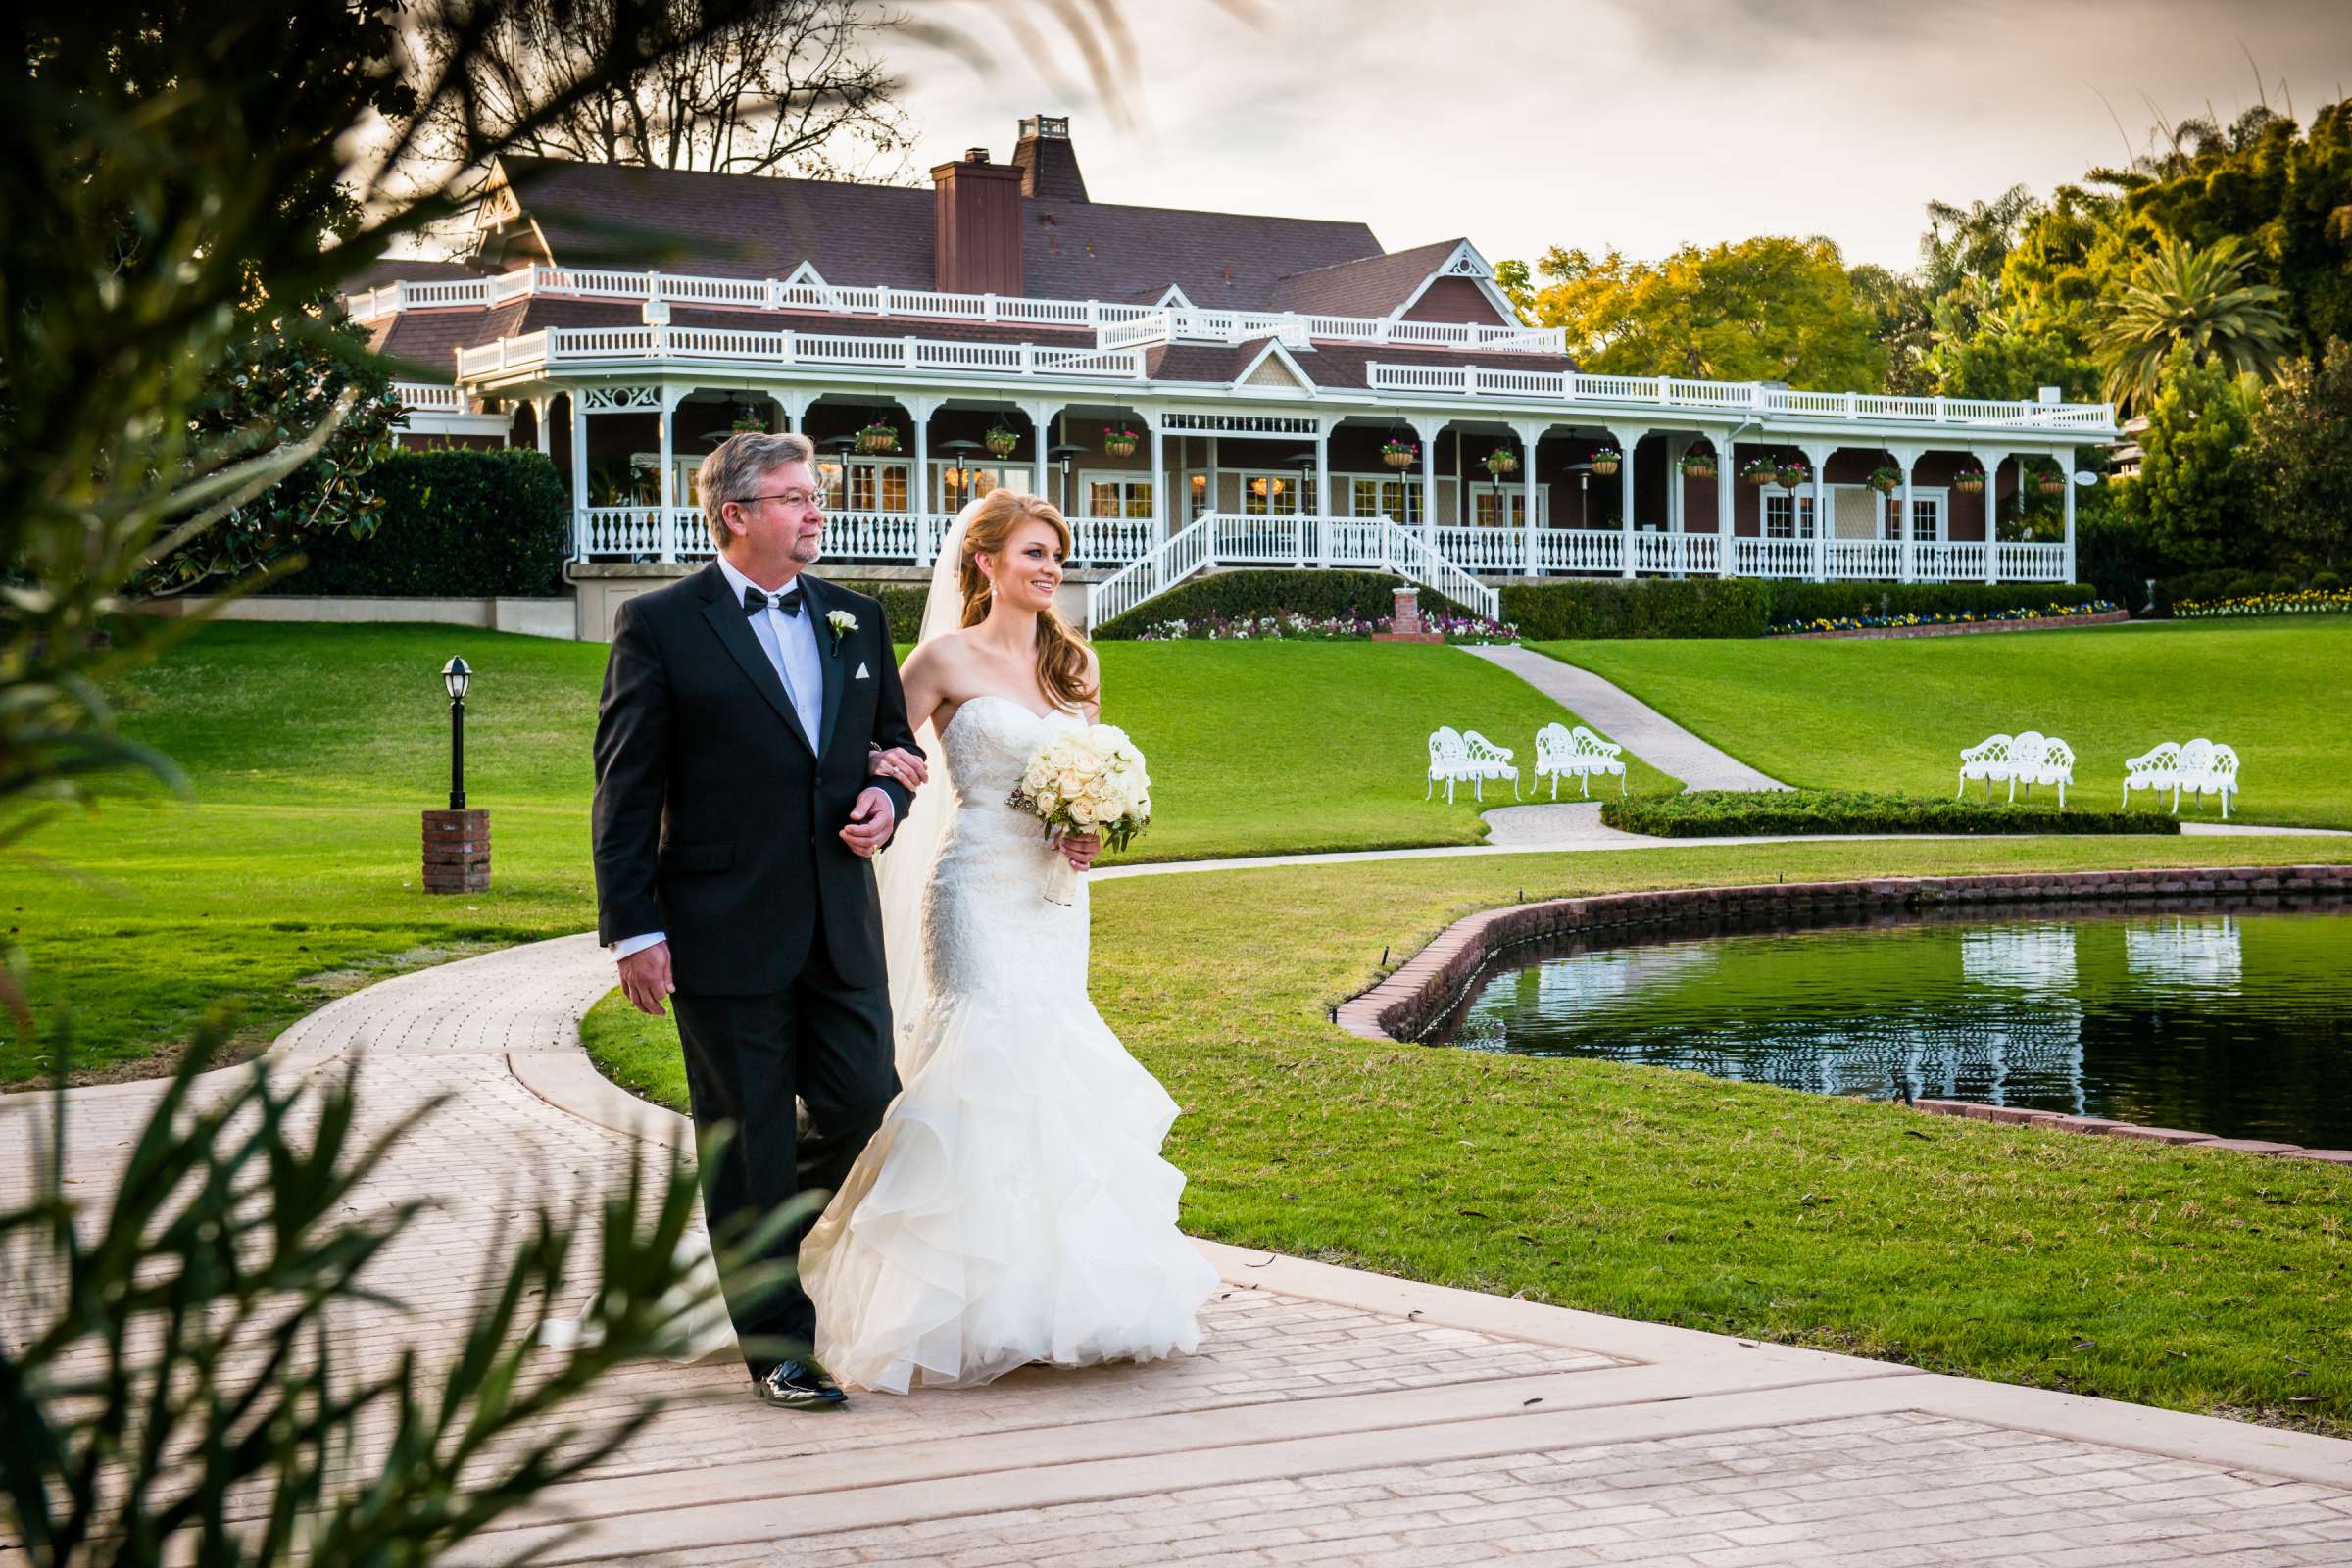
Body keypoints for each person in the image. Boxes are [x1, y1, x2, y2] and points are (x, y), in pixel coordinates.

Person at [796, 487, 1218, 1394]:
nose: (1050, 568)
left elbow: (1093, 776)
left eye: (1056, 554)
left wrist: (1091, 831)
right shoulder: (943, 658)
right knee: (981, 1063)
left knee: (1055, 1060)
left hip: (1053, 895)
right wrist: (871, 799)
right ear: (984, 561)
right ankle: (949, 1304)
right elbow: (871, 751)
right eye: (1033, 553)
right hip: (976, 888)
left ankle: (1054, 1300)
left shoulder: (1077, 664)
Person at [589, 430, 924, 1412]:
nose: (814, 512)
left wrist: (887, 806)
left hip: (838, 919)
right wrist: (634, 928)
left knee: (866, 1100)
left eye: (814, 496)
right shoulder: (658, 623)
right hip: (719, 925)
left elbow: (893, 748)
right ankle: (779, 1345)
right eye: (793, 498)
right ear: (736, 514)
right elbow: (624, 786)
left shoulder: (857, 619)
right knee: (747, 1138)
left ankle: (755, 1244)